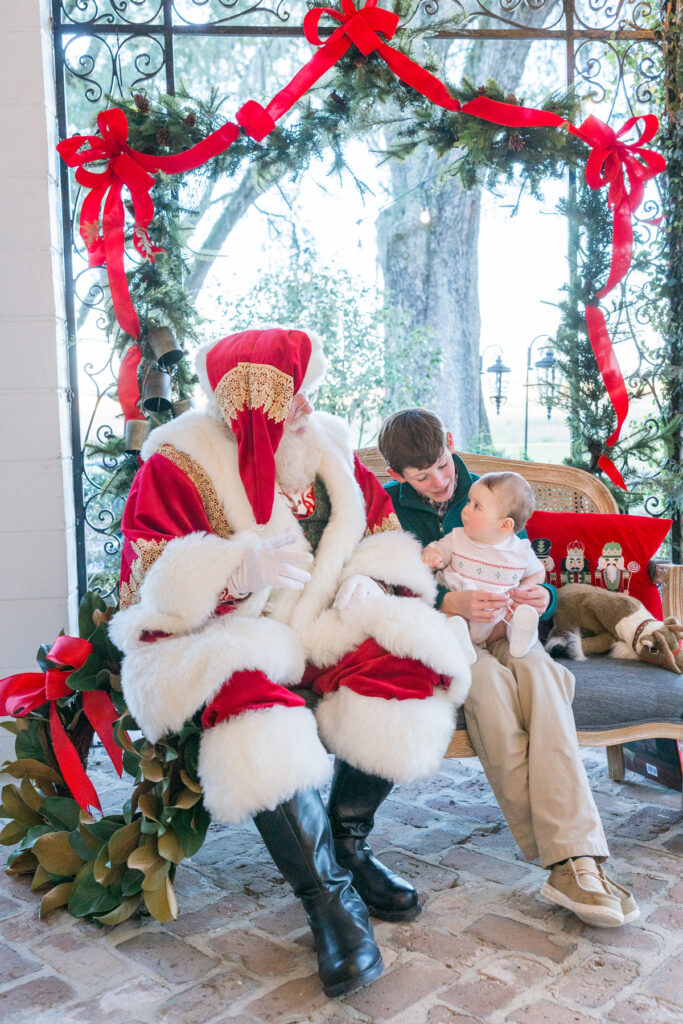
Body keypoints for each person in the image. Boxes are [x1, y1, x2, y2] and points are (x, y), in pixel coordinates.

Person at [110, 331, 472, 998]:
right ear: (256, 401)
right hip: (234, 632)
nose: (308, 404)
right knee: (252, 714)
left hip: (323, 619)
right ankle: (328, 899)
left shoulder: (325, 445)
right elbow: (146, 584)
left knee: (409, 663)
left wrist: (376, 579)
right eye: (294, 392)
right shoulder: (179, 464)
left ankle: (348, 841)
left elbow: (384, 530)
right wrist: (233, 575)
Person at [378, 408, 638, 928]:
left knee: (545, 681)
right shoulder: (388, 510)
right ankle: (571, 862)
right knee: (492, 695)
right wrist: (445, 605)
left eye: (442, 465)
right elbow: (381, 588)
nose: (439, 482)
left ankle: (577, 861)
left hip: (511, 635)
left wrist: (540, 596)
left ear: (450, 444)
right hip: (453, 644)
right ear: (399, 476)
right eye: (421, 476)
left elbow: (527, 568)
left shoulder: (493, 493)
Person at [421, 472, 545, 662]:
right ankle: (460, 642)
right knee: (448, 621)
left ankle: (520, 635)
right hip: (459, 611)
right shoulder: (457, 537)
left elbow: (538, 572)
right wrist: (433, 556)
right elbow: (440, 548)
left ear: (505, 525)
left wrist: (526, 588)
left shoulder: (521, 551)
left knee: (515, 616)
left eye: (476, 506)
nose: (466, 509)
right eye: (469, 501)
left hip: (498, 620)